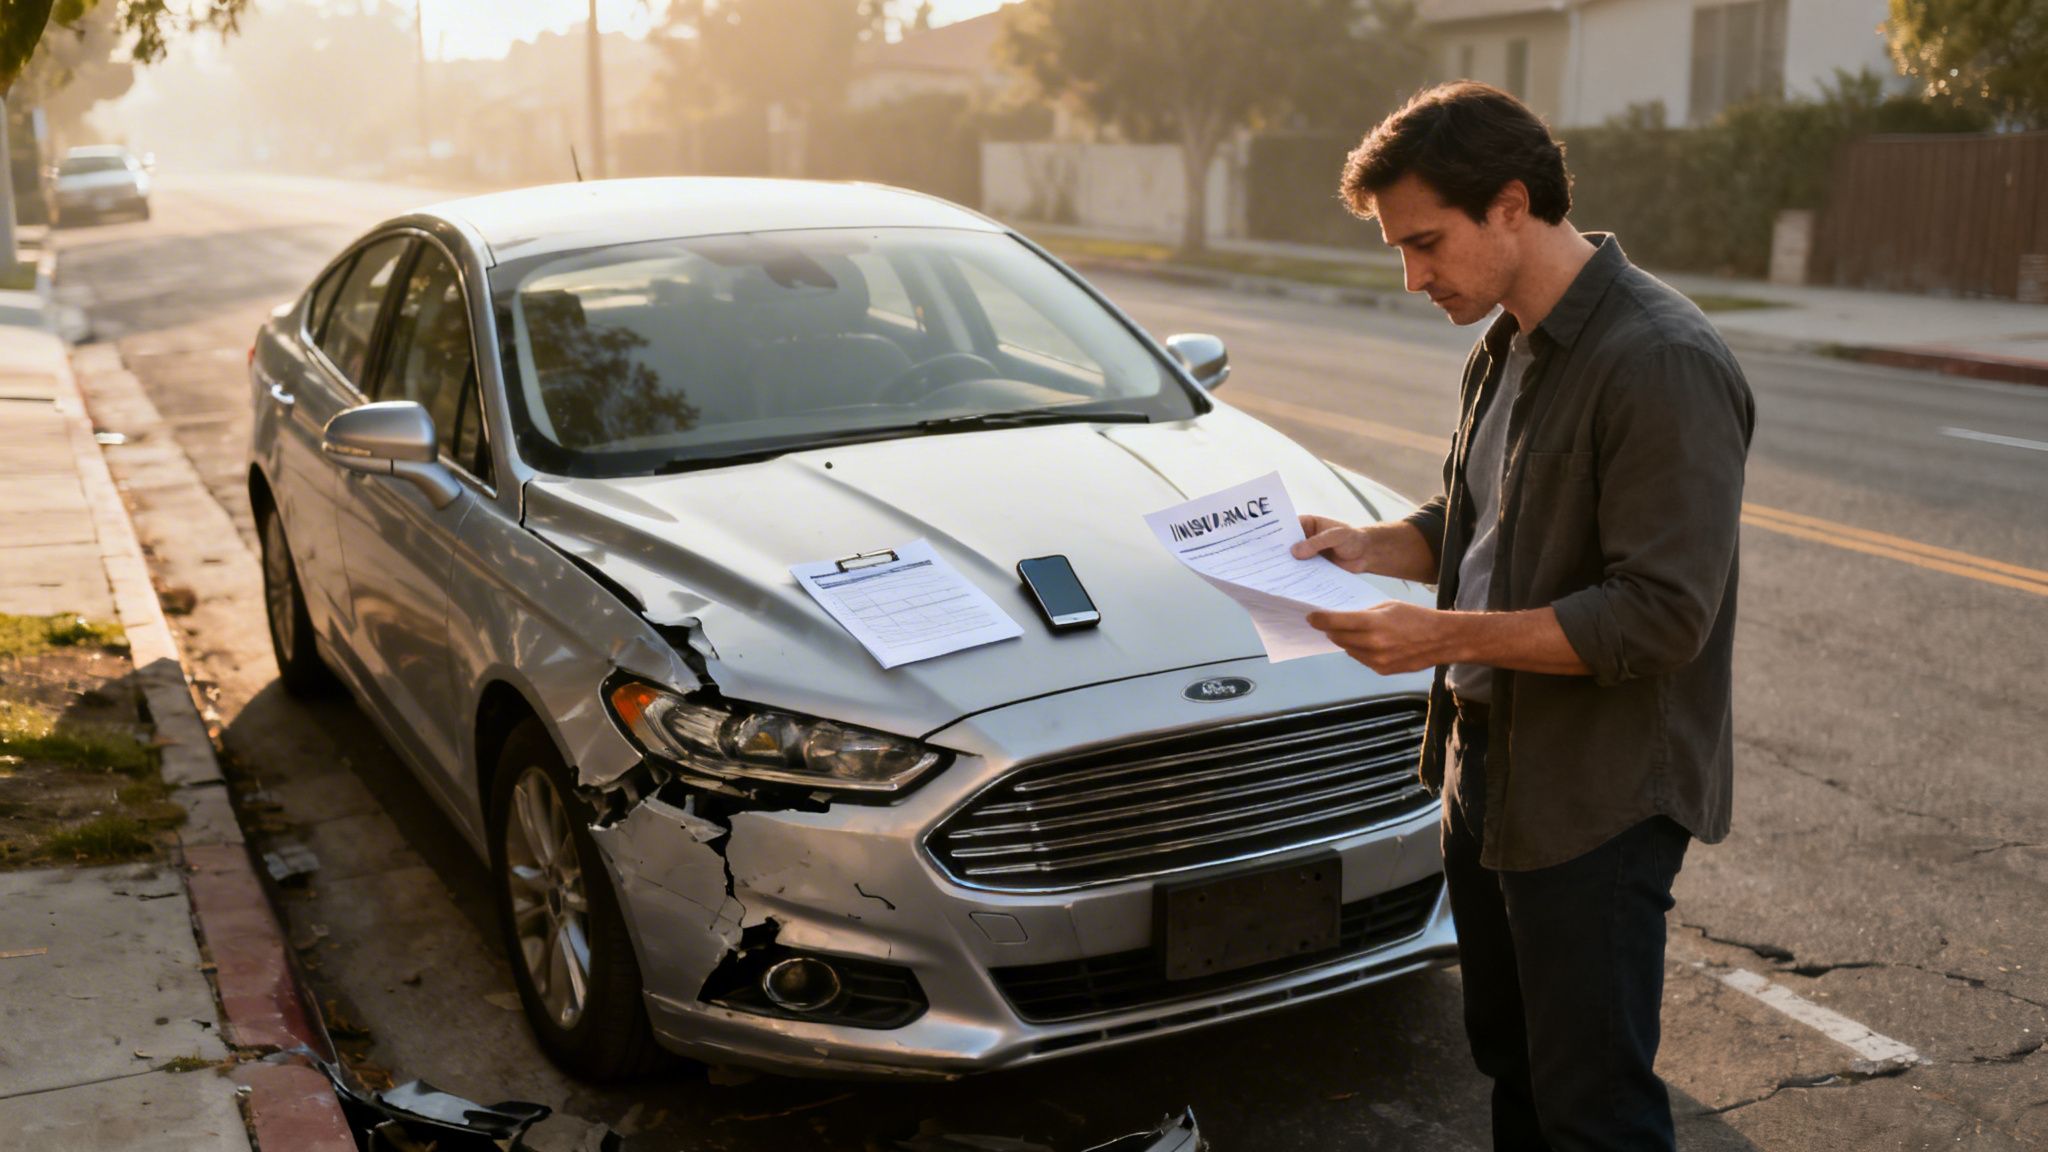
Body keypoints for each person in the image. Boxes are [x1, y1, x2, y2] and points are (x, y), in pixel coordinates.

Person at [1292, 81, 1755, 1151]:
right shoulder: (1504, 339)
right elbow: (1481, 516)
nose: (1411, 278)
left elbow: (1656, 620)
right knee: (1509, 1068)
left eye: (1424, 243)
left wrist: (1439, 635)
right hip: (1480, 766)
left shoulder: (1659, 361)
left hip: (1594, 794)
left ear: (1509, 203)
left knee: (1592, 1107)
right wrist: (1378, 545)